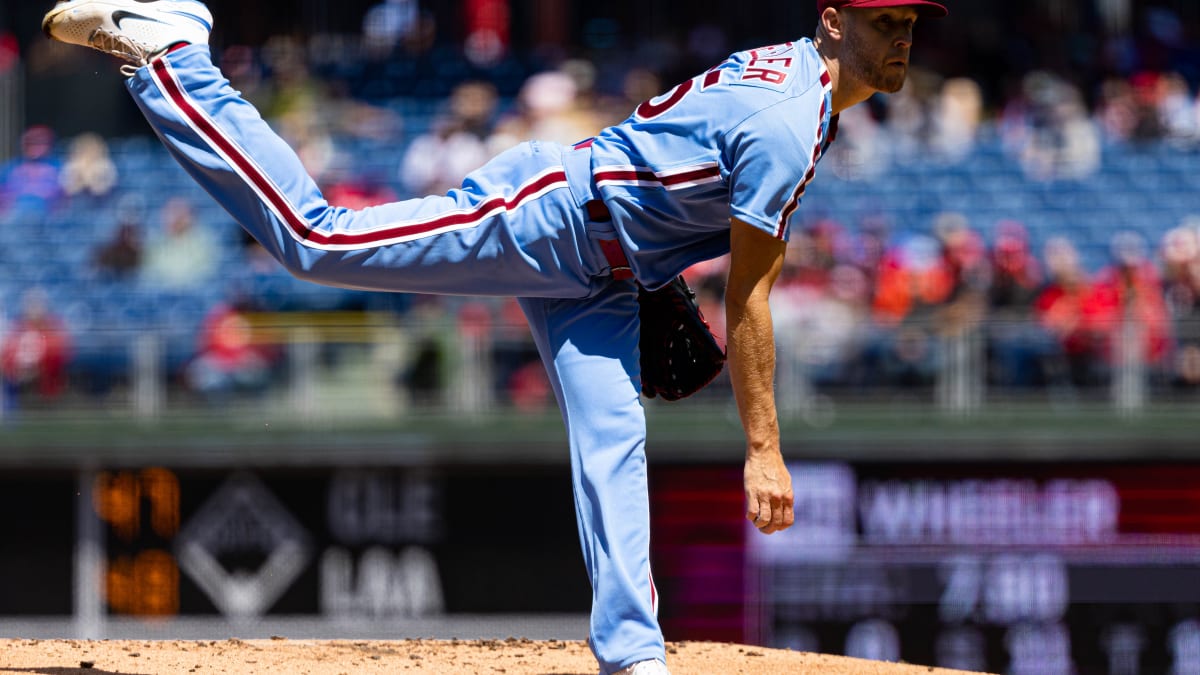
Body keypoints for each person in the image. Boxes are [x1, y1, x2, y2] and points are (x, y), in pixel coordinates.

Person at [42, 0, 948, 672]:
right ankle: (176, 57)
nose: (899, 36)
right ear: (834, 23)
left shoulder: (789, 79)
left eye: (909, 22)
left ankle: (634, 655)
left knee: (613, 437)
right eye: (882, 21)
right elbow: (750, 299)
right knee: (316, 240)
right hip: (550, 220)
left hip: (608, 260)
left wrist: (656, 265)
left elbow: (671, 156)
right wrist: (763, 450)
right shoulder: (792, 120)